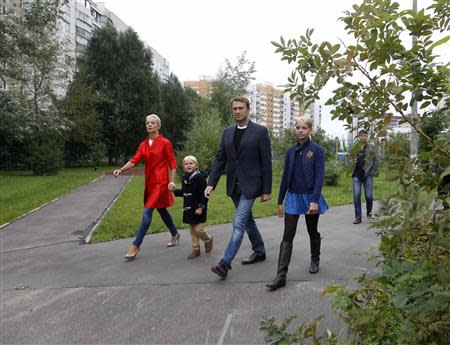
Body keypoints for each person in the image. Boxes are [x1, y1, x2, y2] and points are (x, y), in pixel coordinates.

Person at [205, 96, 272, 279]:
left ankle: (225, 264)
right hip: (234, 185)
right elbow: (220, 159)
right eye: (234, 108)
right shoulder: (227, 132)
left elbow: (266, 162)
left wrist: (267, 190)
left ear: (248, 110)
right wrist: (211, 183)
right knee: (248, 220)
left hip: (252, 185)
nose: (237, 111)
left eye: (241, 108)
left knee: (239, 222)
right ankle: (259, 250)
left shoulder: (260, 131)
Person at [267, 116, 329, 290]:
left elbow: (319, 177)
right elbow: (286, 177)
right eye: (298, 127)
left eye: (304, 128)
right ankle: (281, 275)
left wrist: (314, 200)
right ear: (295, 129)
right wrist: (280, 200)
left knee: (312, 230)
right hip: (293, 197)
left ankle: (315, 258)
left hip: (310, 197)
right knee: (287, 235)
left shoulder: (317, 150)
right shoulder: (291, 151)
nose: (300, 130)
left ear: (310, 130)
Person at [113, 114, 180, 260]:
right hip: (149, 183)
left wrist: (172, 181)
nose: (149, 125)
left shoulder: (165, 143)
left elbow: (172, 163)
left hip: (161, 183)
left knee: (147, 212)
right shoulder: (143, 144)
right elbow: (135, 160)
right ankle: (175, 233)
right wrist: (122, 169)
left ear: (158, 126)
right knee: (162, 210)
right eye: (147, 123)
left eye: (153, 123)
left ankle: (135, 245)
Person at [171, 155, 213, 259]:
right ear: (183, 166)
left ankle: (208, 240)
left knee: (198, 229)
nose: (188, 165)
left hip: (198, 208)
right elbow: (184, 192)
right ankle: (196, 249)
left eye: (191, 163)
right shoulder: (185, 178)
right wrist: (174, 191)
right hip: (188, 207)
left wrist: (201, 207)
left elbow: (205, 195)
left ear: (196, 165)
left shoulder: (200, 179)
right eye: (186, 164)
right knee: (192, 229)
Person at [351, 129, 380, 224]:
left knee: (369, 196)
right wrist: (352, 165)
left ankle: (369, 213)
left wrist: (373, 172)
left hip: (368, 175)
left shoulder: (372, 147)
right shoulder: (355, 147)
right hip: (356, 176)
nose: (363, 137)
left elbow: (377, 160)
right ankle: (358, 217)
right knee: (356, 196)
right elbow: (350, 158)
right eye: (361, 135)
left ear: (367, 137)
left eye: (365, 135)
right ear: (359, 137)